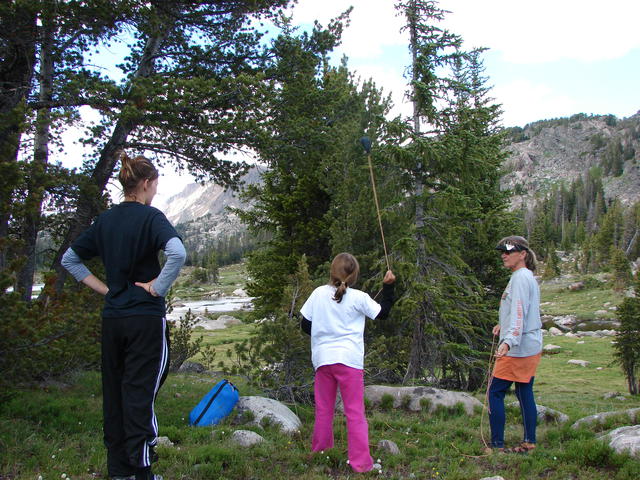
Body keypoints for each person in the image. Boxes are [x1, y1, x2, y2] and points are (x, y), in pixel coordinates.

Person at [61, 152, 186, 480]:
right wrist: (158, 287)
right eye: (155, 185)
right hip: (145, 319)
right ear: (145, 184)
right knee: (140, 394)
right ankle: (142, 473)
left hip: (113, 319)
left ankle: (119, 471)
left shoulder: (105, 220)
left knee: (115, 392)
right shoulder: (150, 217)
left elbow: (70, 260)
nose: (156, 191)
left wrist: (107, 291)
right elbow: (177, 252)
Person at [299, 253, 396, 473]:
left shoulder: (317, 294)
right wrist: (388, 287)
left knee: (324, 410)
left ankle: (321, 453)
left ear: (332, 271)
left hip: (323, 360)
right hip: (349, 361)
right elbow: (383, 314)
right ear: (354, 276)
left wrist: (325, 332)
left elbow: (305, 325)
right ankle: (361, 463)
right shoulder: (359, 297)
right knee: (354, 412)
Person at [487, 235, 542, 454]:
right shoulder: (525, 276)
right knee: (524, 391)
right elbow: (522, 311)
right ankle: (529, 441)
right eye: (503, 251)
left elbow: (519, 311)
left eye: (509, 251)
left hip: (518, 347)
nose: (504, 255)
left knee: (495, 392)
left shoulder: (520, 278)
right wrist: (503, 324)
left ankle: (497, 445)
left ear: (523, 254)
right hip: (530, 343)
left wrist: (508, 341)